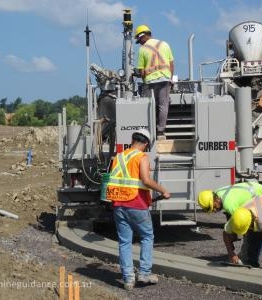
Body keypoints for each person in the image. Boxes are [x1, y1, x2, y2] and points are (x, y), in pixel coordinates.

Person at [106, 129, 170, 290]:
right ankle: (144, 273)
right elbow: (146, 180)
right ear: (146, 144)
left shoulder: (119, 157)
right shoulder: (142, 157)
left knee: (125, 242)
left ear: (132, 139)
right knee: (147, 236)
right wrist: (163, 190)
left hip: (118, 204)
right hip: (136, 204)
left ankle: (128, 279)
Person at [135, 25, 174, 141]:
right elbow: (171, 64)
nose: (140, 43)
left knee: (148, 106)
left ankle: (149, 130)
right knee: (163, 105)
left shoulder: (142, 49)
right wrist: (170, 78)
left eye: (139, 40)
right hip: (165, 80)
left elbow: (141, 71)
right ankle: (161, 132)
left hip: (150, 81)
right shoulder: (165, 44)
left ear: (142, 36)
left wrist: (142, 78)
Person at [198, 181, 262, 217]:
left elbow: (243, 220)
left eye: (213, 207)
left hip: (261, 195)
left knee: (256, 234)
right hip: (256, 187)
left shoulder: (229, 205)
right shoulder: (218, 192)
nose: (215, 210)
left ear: (215, 199)